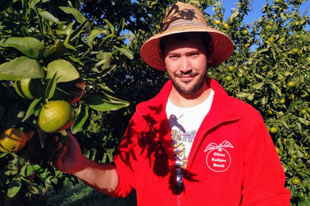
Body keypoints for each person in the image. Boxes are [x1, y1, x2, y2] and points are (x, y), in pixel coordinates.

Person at [47, 2, 291, 205]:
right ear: (164, 60)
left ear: (208, 54)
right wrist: (79, 165)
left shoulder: (242, 118)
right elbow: (122, 181)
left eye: (193, 54)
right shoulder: (144, 118)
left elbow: (268, 196)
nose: (184, 67)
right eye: (175, 57)